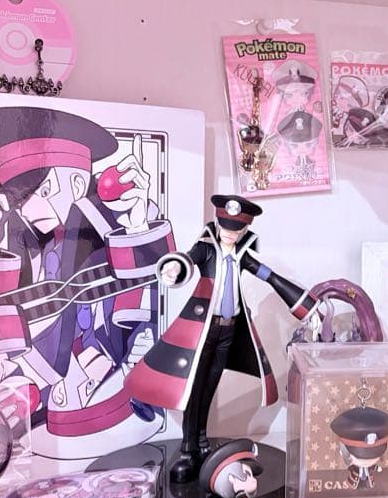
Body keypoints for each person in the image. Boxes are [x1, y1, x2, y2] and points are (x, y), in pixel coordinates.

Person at [0, 107, 174, 459]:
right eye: (17, 198)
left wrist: (138, 227)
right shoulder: (21, 240)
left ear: (78, 184)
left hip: (115, 387)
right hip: (42, 396)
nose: (25, 209)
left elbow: (162, 283)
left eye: (39, 191)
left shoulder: (118, 224)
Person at [125, 195, 317, 482]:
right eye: (225, 226)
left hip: (229, 332)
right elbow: (187, 260)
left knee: (209, 389)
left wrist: (306, 306)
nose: (229, 233)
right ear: (217, 222)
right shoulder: (207, 250)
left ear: (244, 229)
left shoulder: (241, 256)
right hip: (203, 331)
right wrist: (174, 267)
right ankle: (188, 449)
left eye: (236, 229)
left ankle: (202, 442)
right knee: (194, 390)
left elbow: (270, 277)